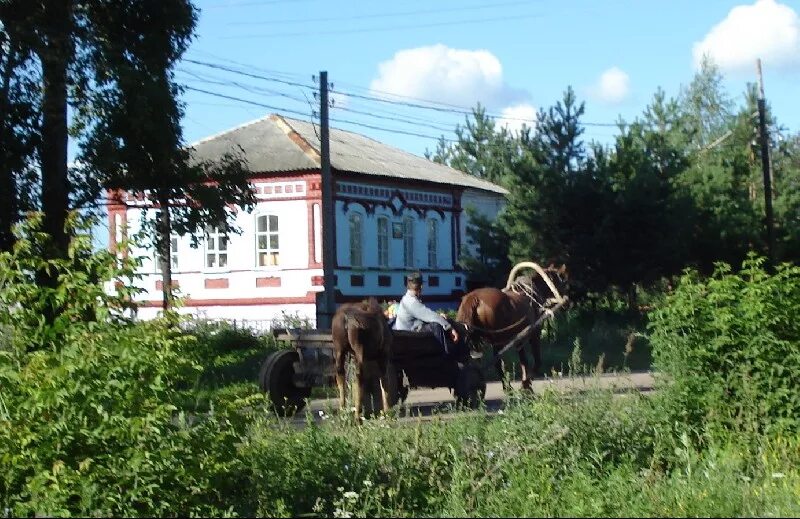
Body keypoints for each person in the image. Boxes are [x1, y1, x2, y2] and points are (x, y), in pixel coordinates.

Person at [393, 272, 459, 354]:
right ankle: (444, 356)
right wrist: (450, 328)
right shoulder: (411, 302)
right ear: (421, 287)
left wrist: (439, 317)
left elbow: (425, 314)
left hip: (407, 332)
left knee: (440, 320)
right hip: (408, 335)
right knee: (436, 325)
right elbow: (431, 316)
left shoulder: (407, 298)